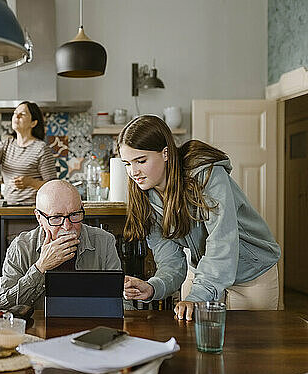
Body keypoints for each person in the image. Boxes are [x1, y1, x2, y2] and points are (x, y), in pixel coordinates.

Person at [118, 115, 280, 320]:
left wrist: (197, 296)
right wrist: (153, 287)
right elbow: (170, 261)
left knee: (248, 349)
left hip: (250, 275)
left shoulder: (206, 174)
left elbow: (222, 242)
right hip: (204, 272)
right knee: (194, 346)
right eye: (127, 164)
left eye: (140, 161)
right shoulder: (144, 198)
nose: (133, 172)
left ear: (165, 153)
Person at [0, 180, 122, 309]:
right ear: (39, 218)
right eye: (56, 218)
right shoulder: (21, 247)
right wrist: (40, 268)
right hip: (37, 328)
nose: (67, 226)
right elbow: (2, 307)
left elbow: (120, 301)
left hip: (92, 325)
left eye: (74, 214)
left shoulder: (104, 241)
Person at [0, 101, 56, 205]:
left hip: (33, 209)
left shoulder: (41, 148)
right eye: (15, 113)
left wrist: (30, 182)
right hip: (9, 207)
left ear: (33, 123)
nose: (17, 116)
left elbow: (53, 186)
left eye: (23, 114)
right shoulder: (6, 144)